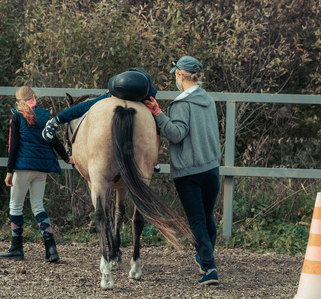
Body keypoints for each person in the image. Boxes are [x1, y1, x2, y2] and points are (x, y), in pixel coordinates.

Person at [143, 56, 221, 285]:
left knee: (196, 221)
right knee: (207, 217)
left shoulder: (181, 104)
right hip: (211, 168)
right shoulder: (209, 100)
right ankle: (204, 257)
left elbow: (176, 134)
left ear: (179, 75)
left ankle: (210, 269)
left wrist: (158, 114)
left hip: (189, 171)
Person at [0, 86, 73, 262]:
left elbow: (13, 146)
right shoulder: (45, 117)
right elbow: (54, 140)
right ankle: (51, 249)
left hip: (23, 168)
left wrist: (9, 172)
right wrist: (67, 158)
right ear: (34, 97)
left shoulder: (16, 117)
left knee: (15, 205)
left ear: (18, 100)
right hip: (41, 169)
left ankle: (16, 248)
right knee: (38, 206)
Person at [41, 68, 162, 172]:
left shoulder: (119, 84)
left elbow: (82, 107)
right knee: (153, 123)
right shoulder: (149, 90)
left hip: (118, 88)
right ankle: (154, 158)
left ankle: (55, 121)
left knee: (86, 106)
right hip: (142, 93)